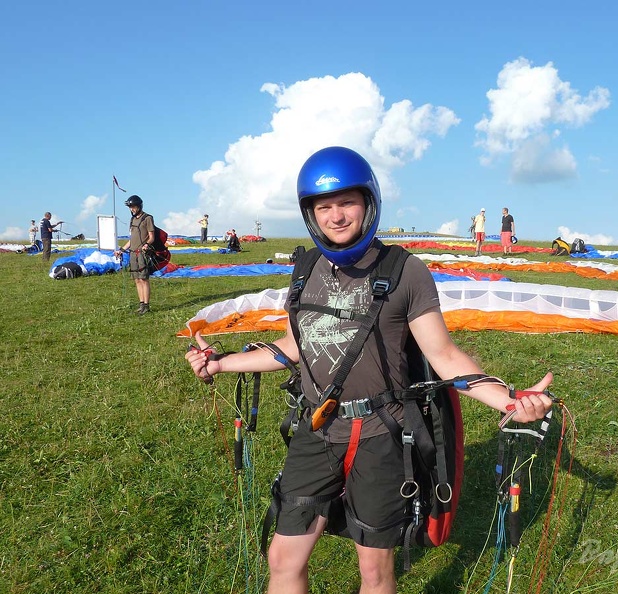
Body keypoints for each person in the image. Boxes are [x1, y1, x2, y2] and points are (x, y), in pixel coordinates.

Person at [185, 147, 553, 594]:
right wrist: (222, 363)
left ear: (369, 203)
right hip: (317, 429)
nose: (336, 216)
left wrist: (509, 399)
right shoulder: (305, 270)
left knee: (375, 573)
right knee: (283, 557)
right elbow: (293, 347)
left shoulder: (406, 272)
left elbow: (445, 357)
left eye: (347, 204)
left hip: (382, 436)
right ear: (310, 214)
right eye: (324, 207)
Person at [114, 195, 155, 314]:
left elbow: (152, 237)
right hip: (132, 254)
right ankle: (141, 304)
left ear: (139, 206)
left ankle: (146, 306)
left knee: (144, 279)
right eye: (130, 207)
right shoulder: (132, 220)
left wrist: (146, 245)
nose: (131, 209)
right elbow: (132, 240)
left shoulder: (148, 218)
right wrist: (121, 250)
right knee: (137, 279)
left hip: (142, 253)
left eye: (133, 206)